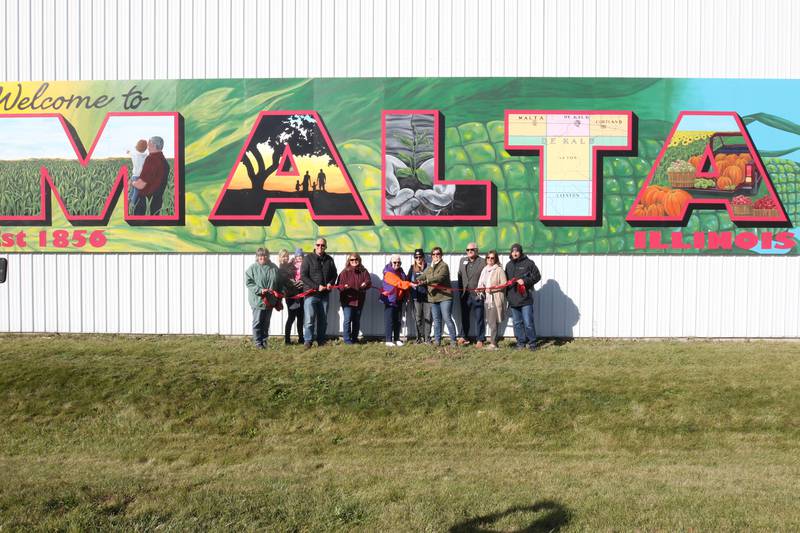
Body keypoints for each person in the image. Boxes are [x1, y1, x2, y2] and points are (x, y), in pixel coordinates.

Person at [414, 247, 457, 346]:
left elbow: (439, 278)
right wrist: (416, 280)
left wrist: (425, 282)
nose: (435, 256)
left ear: (441, 255)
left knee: (447, 318)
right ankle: (437, 341)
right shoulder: (430, 267)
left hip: (445, 297)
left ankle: (453, 341)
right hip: (433, 298)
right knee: (437, 320)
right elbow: (423, 275)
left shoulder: (444, 266)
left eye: (437, 254)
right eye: (433, 254)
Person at [300, 237, 337, 348]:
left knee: (323, 320)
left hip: (324, 295)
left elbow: (334, 274)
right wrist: (316, 287)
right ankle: (308, 341)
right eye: (318, 245)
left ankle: (321, 340)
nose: (320, 247)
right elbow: (303, 276)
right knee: (309, 319)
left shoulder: (329, 259)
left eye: (322, 245)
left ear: (326, 247)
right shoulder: (308, 258)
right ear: (314, 246)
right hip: (311, 295)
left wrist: (331, 283)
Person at [505, 243, 541, 350]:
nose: (515, 253)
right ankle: (520, 343)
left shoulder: (529, 263)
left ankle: (533, 343)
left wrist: (525, 281)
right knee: (517, 323)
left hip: (525, 299)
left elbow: (537, 276)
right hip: (513, 299)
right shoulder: (508, 265)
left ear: (520, 252)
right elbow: (505, 282)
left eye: (517, 251)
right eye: (513, 251)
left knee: (528, 322)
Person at [245, 247, 282, 349]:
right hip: (258, 301)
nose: (262, 257)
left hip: (270, 301)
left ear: (268, 256)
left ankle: (264, 341)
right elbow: (249, 283)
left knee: (266, 322)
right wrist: (260, 290)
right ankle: (258, 343)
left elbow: (279, 283)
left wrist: (280, 296)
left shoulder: (274, 268)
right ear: (257, 257)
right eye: (260, 255)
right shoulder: (252, 268)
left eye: (265, 255)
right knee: (257, 322)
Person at [337, 252, 371, 344]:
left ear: (359, 260)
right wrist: (345, 287)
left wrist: (365, 284)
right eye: (352, 260)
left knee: (356, 320)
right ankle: (347, 340)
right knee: (348, 319)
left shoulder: (364, 271)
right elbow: (339, 286)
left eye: (356, 259)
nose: (354, 261)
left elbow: (368, 281)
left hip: (359, 299)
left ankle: (355, 339)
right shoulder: (345, 272)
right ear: (349, 261)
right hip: (347, 300)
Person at [476, 250, 508, 350]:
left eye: (492, 258)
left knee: (493, 322)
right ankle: (493, 341)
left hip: (495, 299)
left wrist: (493, 288)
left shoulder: (499, 270)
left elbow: (504, 284)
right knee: (490, 321)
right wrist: (480, 288)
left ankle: (493, 343)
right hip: (487, 299)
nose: (490, 259)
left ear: (496, 259)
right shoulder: (485, 270)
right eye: (488, 257)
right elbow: (483, 284)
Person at [457, 242, 486, 347]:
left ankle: (480, 339)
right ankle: (464, 336)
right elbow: (460, 275)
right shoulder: (462, 261)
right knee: (464, 316)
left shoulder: (483, 262)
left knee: (479, 317)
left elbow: (487, 275)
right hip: (465, 294)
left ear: (476, 250)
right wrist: (461, 291)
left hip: (477, 294)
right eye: (467, 250)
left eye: (472, 250)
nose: (469, 252)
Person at [132, 136, 170, 216]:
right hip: (157, 203)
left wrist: (132, 183)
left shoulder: (151, 159)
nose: (148, 148)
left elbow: (141, 185)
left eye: (149, 146)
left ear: (153, 145)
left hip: (143, 205)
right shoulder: (165, 163)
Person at [381, 255, 413, 347]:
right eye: (394, 262)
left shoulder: (401, 271)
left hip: (399, 299)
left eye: (398, 262)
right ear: (391, 263)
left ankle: (397, 338)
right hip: (390, 299)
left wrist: (406, 295)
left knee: (398, 320)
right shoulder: (388, 273)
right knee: (389, 320)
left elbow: (405, 282)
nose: (397, 264)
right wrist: (409, 284)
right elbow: (399, 283)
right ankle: (388, 340)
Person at [281, 248, 305, 345]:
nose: (299, 258)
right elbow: (286, 279)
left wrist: (303, 282)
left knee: (300, 317)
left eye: (300, 256)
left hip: (301, 294)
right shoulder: (286, 266)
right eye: (297, 256)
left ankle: (301, 338)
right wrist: (293, 283)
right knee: (291, 317)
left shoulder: (302, 265)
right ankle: (287, 339)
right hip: (291, 296)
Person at [408, 248, 431, 343]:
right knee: (418, 318)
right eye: (416, 257)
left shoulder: (428, 267)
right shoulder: (411, 268)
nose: (418, 258)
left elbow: (432, 279)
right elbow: (408, 282)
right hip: (416, 297)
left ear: (423, 257)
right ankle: (419, 338)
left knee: (428, 318)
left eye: (420, 256)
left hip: (427, 297)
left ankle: (427, 338)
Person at [126, 139, 148, 212]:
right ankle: (132, 204)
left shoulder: (134, 154)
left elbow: (128, 151)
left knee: (132, 190)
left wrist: (129, 151)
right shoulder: (145, 155)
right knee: (136, 191)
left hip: (134, 176)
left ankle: (129, 201)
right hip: (140, 176)